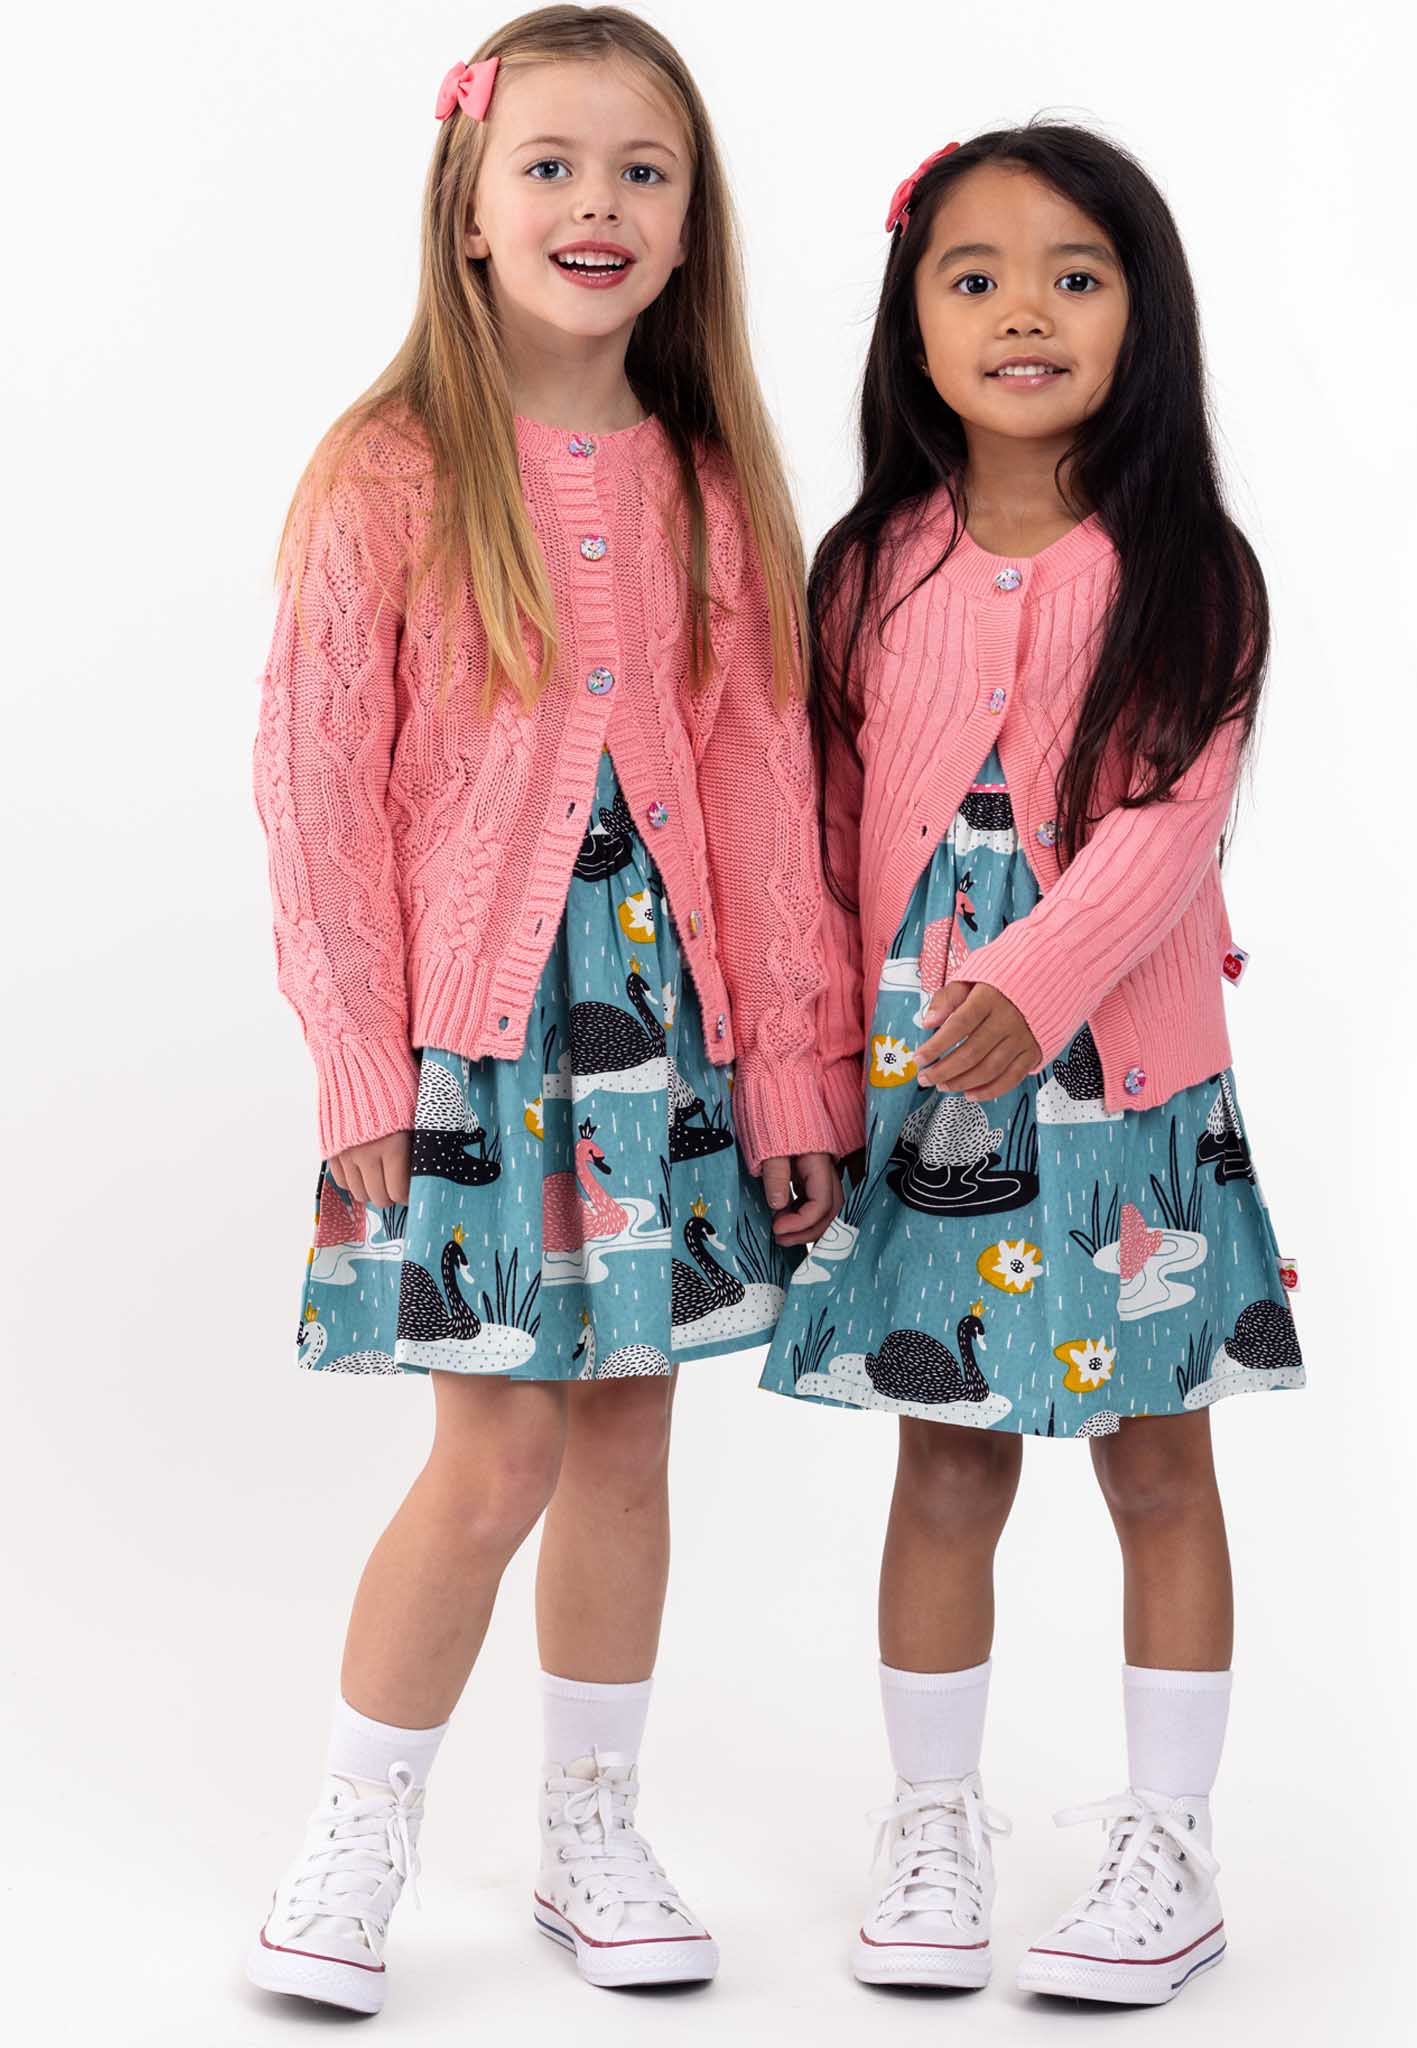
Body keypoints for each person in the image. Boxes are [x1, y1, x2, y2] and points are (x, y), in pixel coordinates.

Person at [246, 7, 843, 2013]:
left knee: (624, 1453)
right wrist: (357, 1063)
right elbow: (315, 791)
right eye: (558, 166)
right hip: (468, 1049)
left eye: (643, 172)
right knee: (488, 1455)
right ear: (474, 202)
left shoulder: (705, 479)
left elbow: (763, 791)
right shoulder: (389, 473)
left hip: (669, 1045)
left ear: (691, 225)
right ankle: (358, 1828)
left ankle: (594, 1828)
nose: (599, 202)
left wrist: (799, 1069)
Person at [759, 123, 1304, 2007]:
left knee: (1159, 1462)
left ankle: (1171, 1844)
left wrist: (1043, 973)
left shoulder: (1190, 569)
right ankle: (935, 1827)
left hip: (1132, 1088)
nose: (1023, 311)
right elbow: (821, 849)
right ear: (912, 318)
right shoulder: (863, 571)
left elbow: (1174, 817)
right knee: (945, 1459)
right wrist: (818, 1079)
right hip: (926, 1097)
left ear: (1141, 315)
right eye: (973, 274)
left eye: (1075, 273)